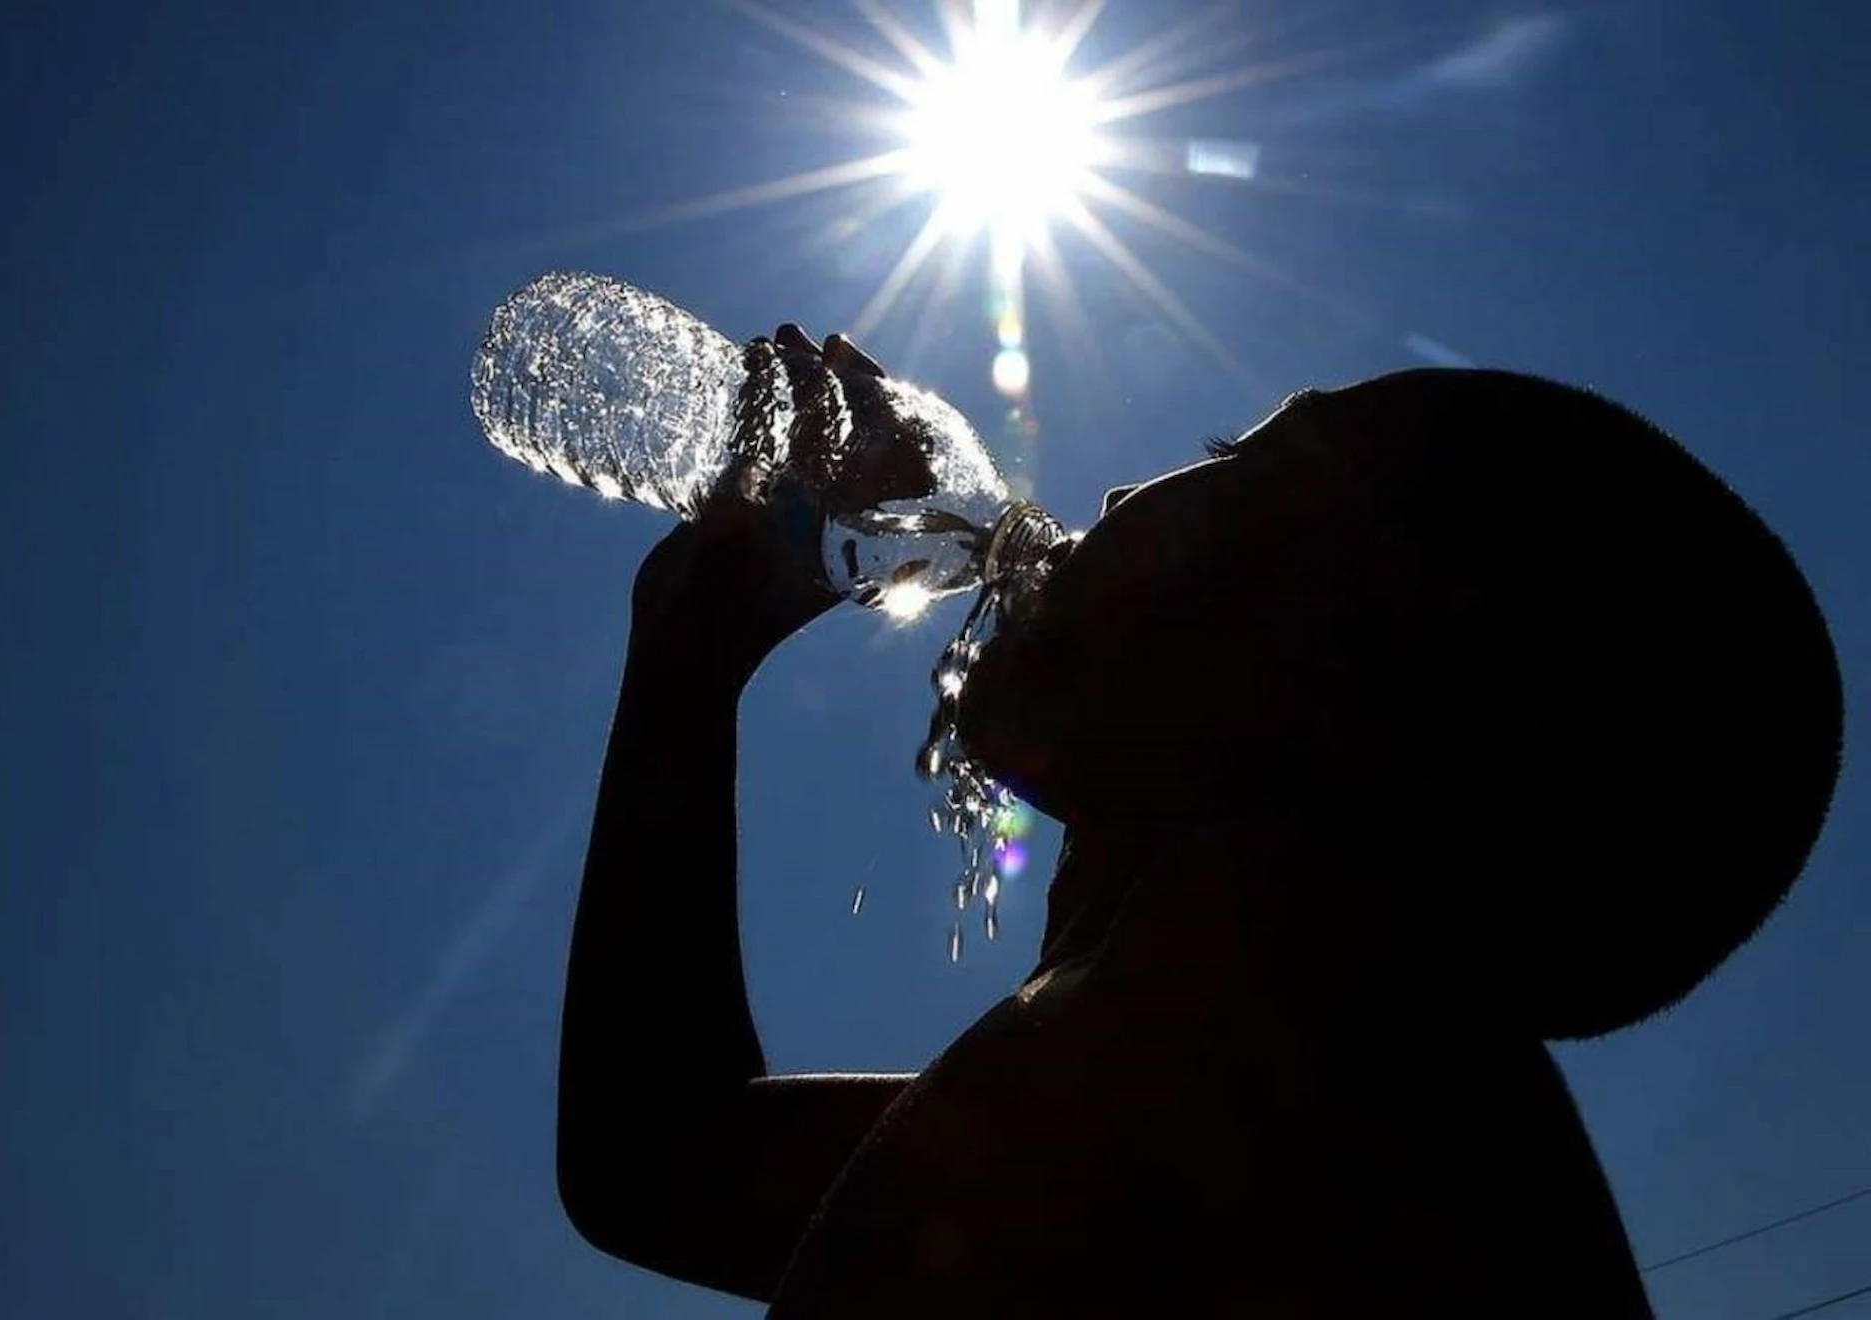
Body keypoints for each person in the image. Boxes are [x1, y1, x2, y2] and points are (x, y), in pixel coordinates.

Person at [553, 335, 1843, 1317]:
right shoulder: (1298, 1097)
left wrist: (686, 662)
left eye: (1242, 456)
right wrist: (687, 655)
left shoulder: (1280, 1025)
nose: (1121, 489)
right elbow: (659, 1159)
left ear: (1363, 659)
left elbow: (668, 1168)